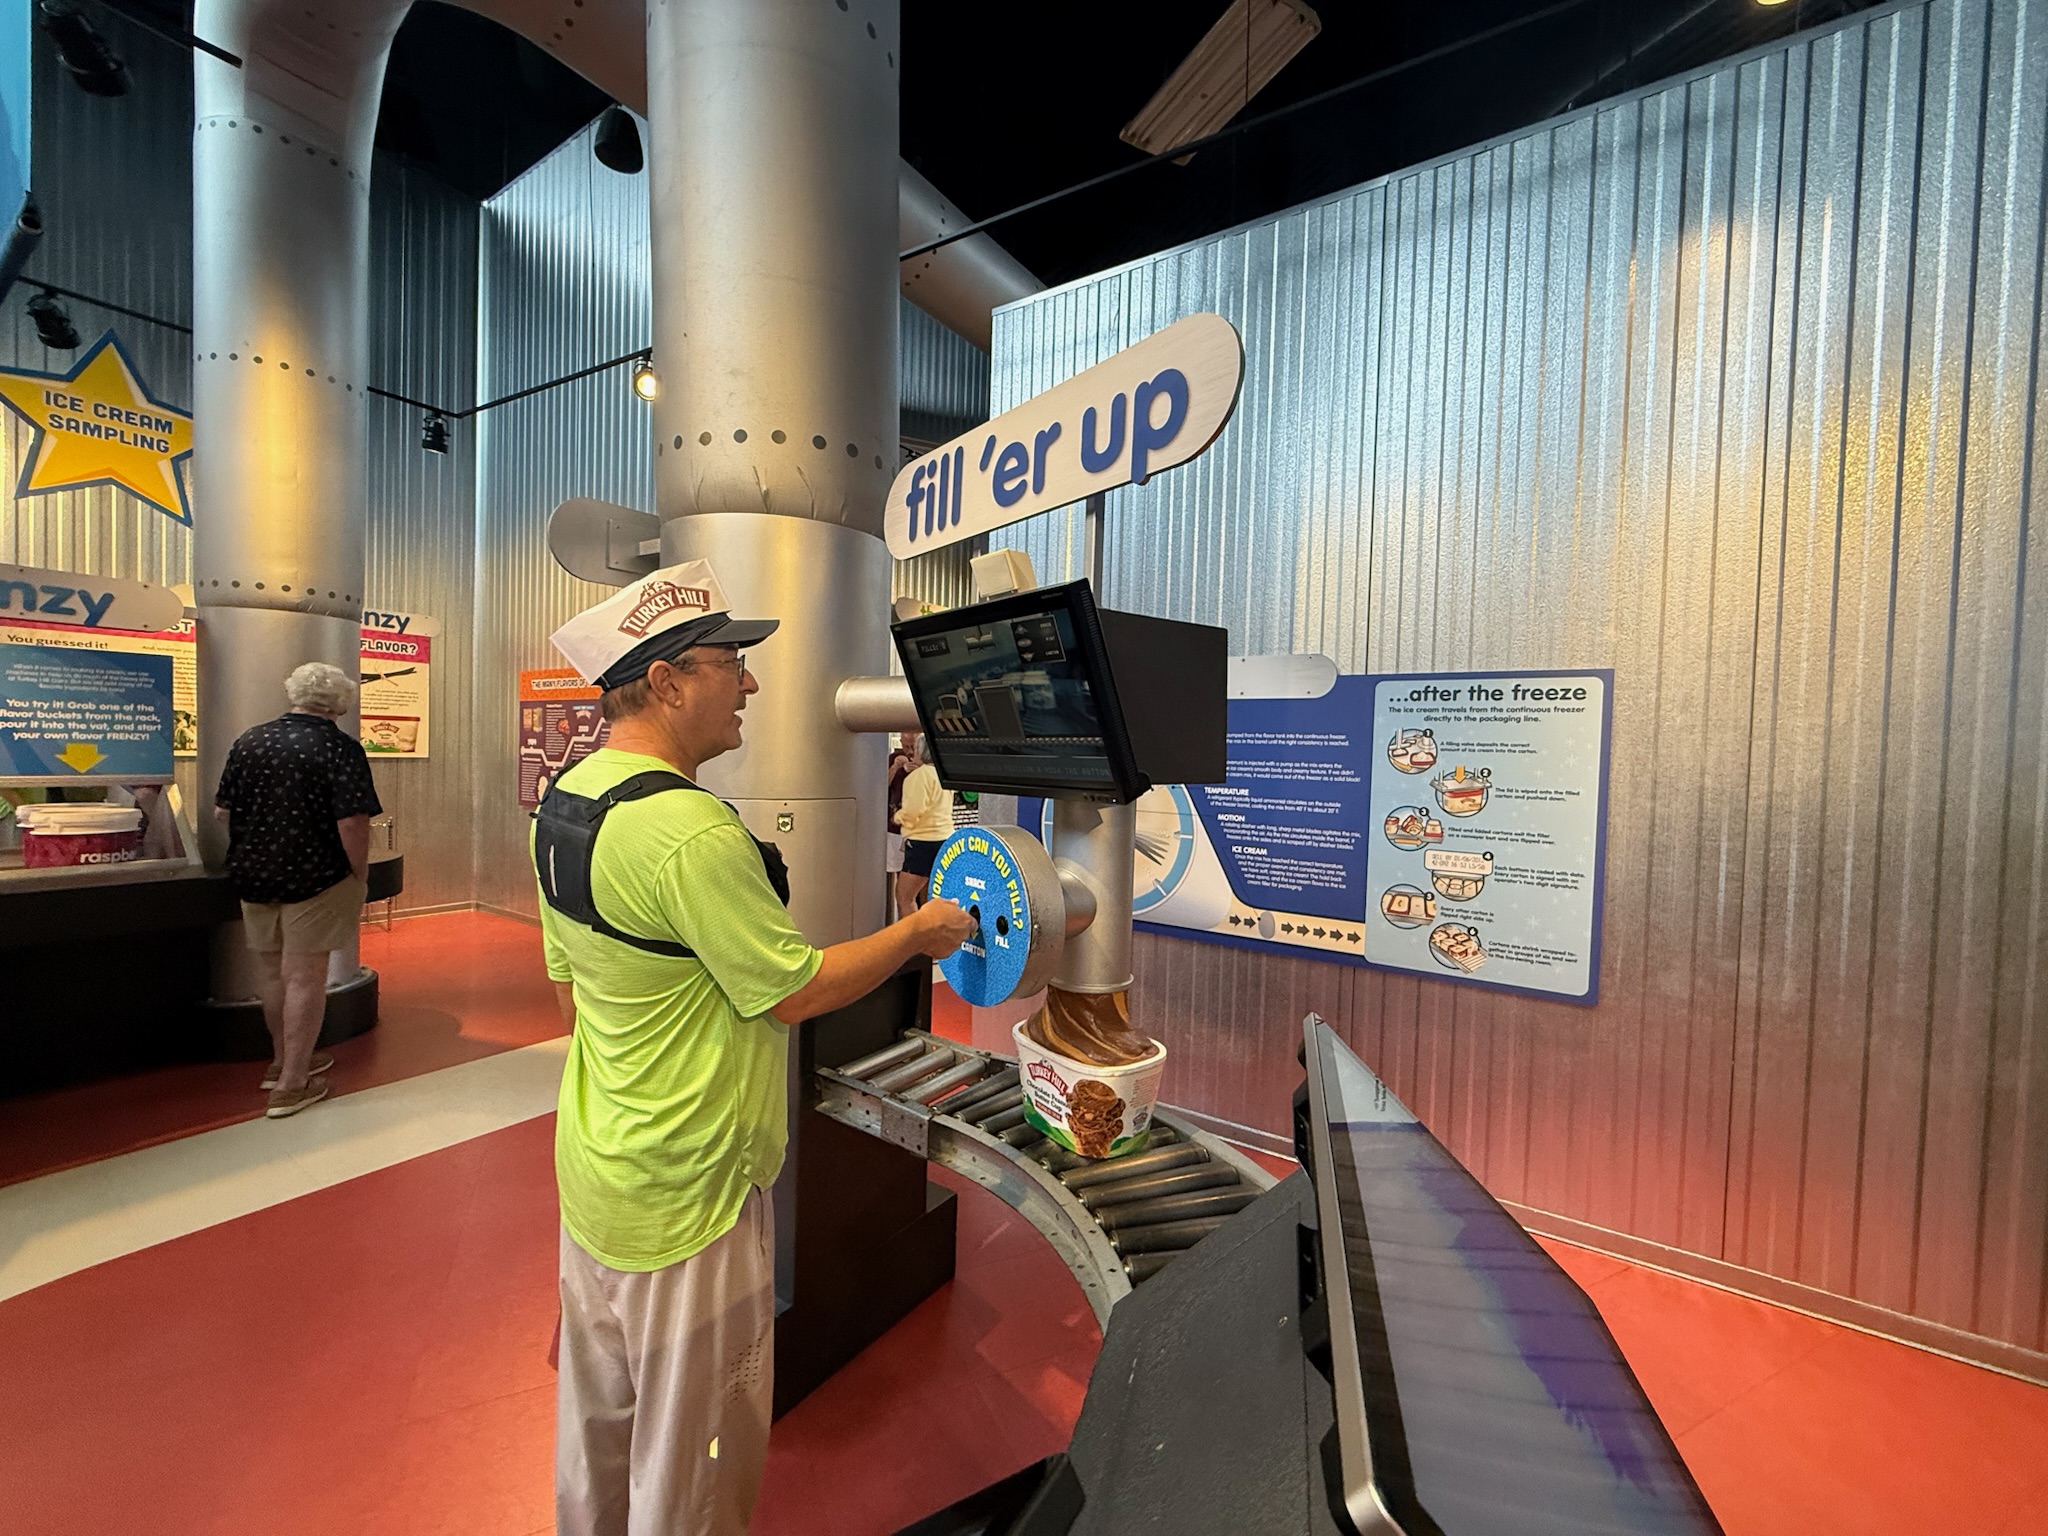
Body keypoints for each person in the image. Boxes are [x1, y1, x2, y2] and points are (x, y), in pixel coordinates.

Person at [536, 560, 975, 1536]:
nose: (752, 682)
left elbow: (573, 989)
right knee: (693, 1462)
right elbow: (795, 990)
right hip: (692, 1187)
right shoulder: (689, 833)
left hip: (601, 1169)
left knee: (598, 1430)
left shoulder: (567, 802)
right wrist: (916, 932)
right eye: (729, 662)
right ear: (665, 681)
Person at [213, 660, 381, 1118]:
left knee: (271, 974)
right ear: (340, 703)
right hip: (316, 877)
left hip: (254, 875)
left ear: (293, 693)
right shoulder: (339, 748)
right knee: (304, 977)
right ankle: (292, 1084)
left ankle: (281, 1062)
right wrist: (358, 873)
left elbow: (222, 811)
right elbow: (352, 822)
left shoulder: (250, 740)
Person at [893, 734, 951, 914]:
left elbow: (912, 813)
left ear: (922, 751)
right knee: (932, 896)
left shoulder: (918, 776)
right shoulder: (943, 774)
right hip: (944, 838)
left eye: (916, 748)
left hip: (922, 842)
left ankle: (913, 933)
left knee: (904, 897)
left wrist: (897, 817)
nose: (912, 753)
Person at [884, 727, 920, 916]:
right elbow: (880, 786)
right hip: (894, 829)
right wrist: (895, 769)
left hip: (918, 832)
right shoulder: (893, 759)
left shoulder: (926, 765)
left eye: (913, 747)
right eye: (906, 747)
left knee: (914, 885)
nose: (909, 752)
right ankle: (893, 919)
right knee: (894, 878)